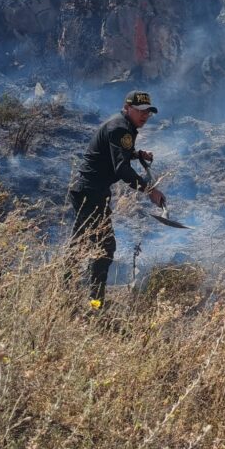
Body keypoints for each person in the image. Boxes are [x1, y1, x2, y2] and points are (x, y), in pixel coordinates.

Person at [68, 90, 165, 305]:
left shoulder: (122, 125)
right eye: (140, 111)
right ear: (127, 108)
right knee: (105, 246)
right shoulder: (121, 129)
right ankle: (95, 302)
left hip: (89, 190)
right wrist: (150, 190)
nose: (145, 116)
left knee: (79, 243)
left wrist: (137, 154)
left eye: (148, 112)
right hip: (90, 192)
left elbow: (115, 152)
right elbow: (121, 169)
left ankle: (65, 294)